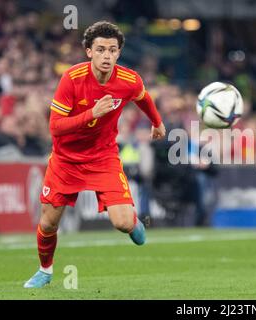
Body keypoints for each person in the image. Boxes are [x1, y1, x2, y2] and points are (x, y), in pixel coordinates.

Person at [24, 21, 166, 288]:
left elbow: (143, 96)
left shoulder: (128, 80)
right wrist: (93, 113)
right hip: (66, 160)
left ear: (119, 53)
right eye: (100, 49)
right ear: (89, 51)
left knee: (122, 223)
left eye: (112, 50)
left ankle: (134, 223)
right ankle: (45, 270)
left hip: (103, 158)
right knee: (49, 222)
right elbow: (55, 128)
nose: (106, 56)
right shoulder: (72, 79)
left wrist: (156, 122)